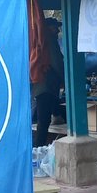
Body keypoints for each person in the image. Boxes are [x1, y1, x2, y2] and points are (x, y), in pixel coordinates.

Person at [31, 16, 64, 146]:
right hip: (46, 85)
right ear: (49, 28)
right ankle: (37, 149)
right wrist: (66, 79)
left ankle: (57, 117)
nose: (57, 30)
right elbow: (56, 62)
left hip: (41, 85)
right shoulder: (49, 41)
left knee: (45, 118)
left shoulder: (40, 40)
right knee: (43, 121)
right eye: (55, 27)